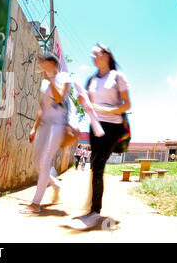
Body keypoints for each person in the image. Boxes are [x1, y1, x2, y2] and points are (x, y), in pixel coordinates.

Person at [75, 43, 131, 229]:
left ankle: (94, 211)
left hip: (112, 126)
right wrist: (83, 101)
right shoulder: (91, 80)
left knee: (98, 164)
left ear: (106, 54)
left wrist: (103, 109)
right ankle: (93, 208)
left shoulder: (117, 76)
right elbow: (86, 103)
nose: (92, 55)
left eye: (96, 52)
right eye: (91, 53)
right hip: (94, 125)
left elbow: (127, 105)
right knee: (94, 165)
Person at [22, 54, 71, 214]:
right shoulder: (44, 83)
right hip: (44, 125)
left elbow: (59, 98)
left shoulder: (63, 77)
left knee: (44, 160)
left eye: (44, 63)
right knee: (38, 162)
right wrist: (34, 128)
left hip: (58, 124)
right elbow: (42, 107)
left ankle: (36, 204)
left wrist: (50, 79)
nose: (41, 66)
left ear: (52, 63)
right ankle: (55, 185)